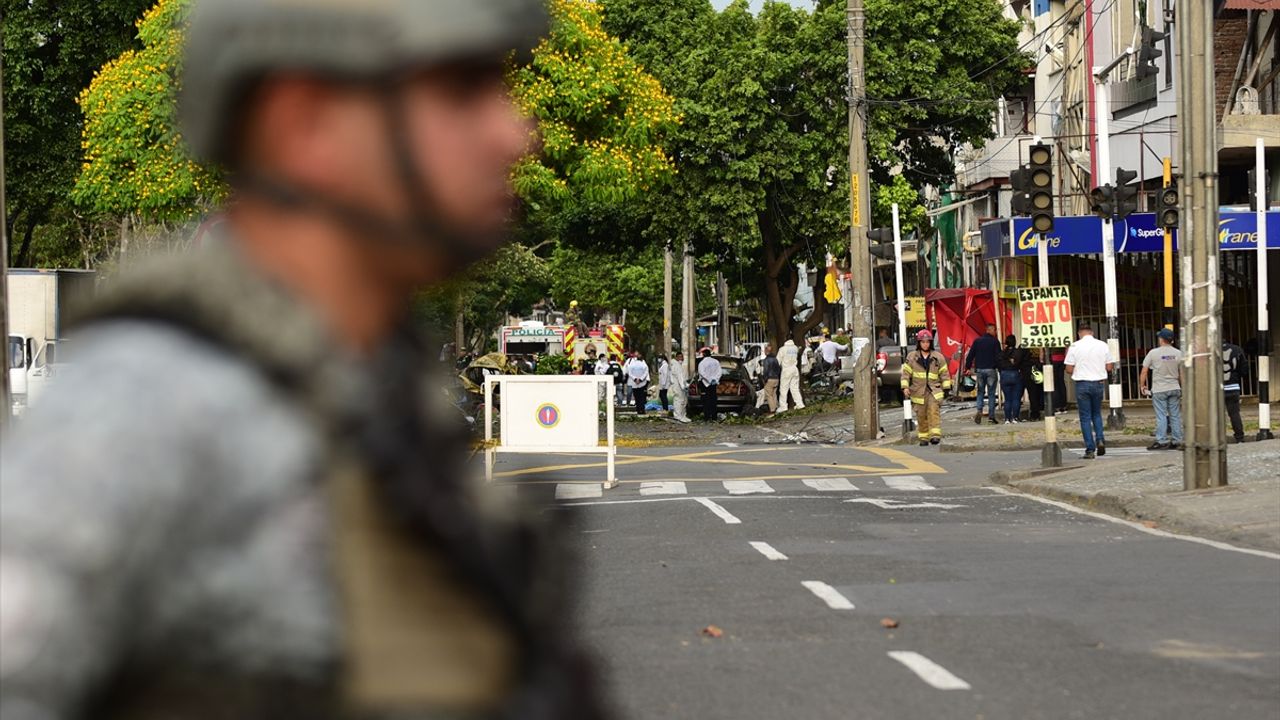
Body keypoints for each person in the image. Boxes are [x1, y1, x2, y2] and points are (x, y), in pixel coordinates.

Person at [0, 1, 610, 717]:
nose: (515, 134)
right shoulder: (154, 410)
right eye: (460, 90)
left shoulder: (373, 382)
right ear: (305, 122)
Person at [1065, 322, 1115, 459]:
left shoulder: (1074, 346)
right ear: (1091, 332)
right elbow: (1109, 367)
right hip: (1098, 383)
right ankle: (1100, 439)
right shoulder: (1102, 345)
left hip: (1082, 384)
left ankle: (1090, 449)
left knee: (1085, 417)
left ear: (1079, 333)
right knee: (1096, 414)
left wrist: (1080, 370)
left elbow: (1068, 369)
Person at [901, 329, 952, 446]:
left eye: (927, 342)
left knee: (933, 412)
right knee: (921, 414)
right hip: (918, 391)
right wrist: (905, 387)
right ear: (919, 343)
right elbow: (905, 374)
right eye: (923, 342)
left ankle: (935, 436)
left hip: (934, 390)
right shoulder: (912, 357)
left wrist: (946, 388)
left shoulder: (938, 357)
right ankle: (923, 437)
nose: (925, 344)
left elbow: (944, 373)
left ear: (931, 343)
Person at [1140, 328, 1184, 450]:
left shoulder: (1153, 353)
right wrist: (1182, 387)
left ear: (1161, 339)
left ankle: (1162, 440)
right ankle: (1177, 440)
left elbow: (1144, 371)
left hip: (1159, 389)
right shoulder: (1178, 353)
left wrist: (1142, 385)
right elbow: (1181, 373)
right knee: (1175, 415)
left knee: (1161, 416)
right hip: (1174, 387)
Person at [965, 323, 1002, 425]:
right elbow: (999, 357)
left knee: (980, 392)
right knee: (991, 393)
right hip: (991, 370)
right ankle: (991, 417)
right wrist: (1001, 369)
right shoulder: (995, 342)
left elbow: (970, 355)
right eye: (994, 330)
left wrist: (967, 367)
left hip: (980, 370)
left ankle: (979, 410)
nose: (995, 332)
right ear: (989, 330)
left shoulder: (977, 341)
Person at [1223, 339, 1248, 443]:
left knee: (1216, 414)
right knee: (1234, 414)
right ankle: (1239, 437)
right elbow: (1244, 369)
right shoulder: (1237, 349)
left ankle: (1218, 437)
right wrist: (1237, 377)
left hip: (1216, 388)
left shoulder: (1210, 350)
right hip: (1233, 386)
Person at [998, 334, 1025, 424]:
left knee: (1007, 399)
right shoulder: (1018, 352)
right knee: (1016, 398)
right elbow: (1020, 363)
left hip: (1004, 375)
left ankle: (1007, 418)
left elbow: (999, 365)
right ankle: (1015, 418)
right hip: (1016, 374)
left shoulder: (1002, 353)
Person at [778, 338, 806, 412]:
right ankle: (800, 404)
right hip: (794, 369)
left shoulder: (782, 349)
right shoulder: (795, 348)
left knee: (783, 389)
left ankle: (783, 406)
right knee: (795, 388)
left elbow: (778, 361)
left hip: (786, 370)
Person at [698, 348, 723, 421]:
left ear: (703, 354)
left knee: (706, 401)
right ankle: (714, 417)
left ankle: (707, 417)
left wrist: (709, 380)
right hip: (713, 384)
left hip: (705, 384)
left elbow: (702, 373)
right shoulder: (716, 362)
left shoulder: (702, 363)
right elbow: (720, 372)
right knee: (713, 400)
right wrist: (715, 379)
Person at [756, 344, 781, 413]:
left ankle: (772, 410)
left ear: (766, 351)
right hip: (776, 379)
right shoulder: (775, 359)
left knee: (769, 395)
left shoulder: (766, 360)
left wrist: (764, 379)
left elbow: (766, 371)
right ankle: (776, 407)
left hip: (769, 379)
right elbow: (778, 369)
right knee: (774, 394)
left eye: (765, 350)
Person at [1022, 347, 1045, 421]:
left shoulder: (1024, 346)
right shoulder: (1039, 346)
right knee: (1039, 391)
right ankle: (1039, 409)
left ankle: (1035, 413)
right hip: (1038, 368)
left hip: (1028, 370)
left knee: (1032, 394)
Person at [670, 350, 691, 423]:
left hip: (681, 386)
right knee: (679, 401)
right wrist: (683, 386)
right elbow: (680, 377)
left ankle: (683, 415)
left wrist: (685, 385)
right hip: (678, 387)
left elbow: (682, 378)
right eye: (679, 357)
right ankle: (678, 416)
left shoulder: (678, 365)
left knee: (684, 401)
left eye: (682, 357)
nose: (681, 358)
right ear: (676, 357)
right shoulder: (676, 365)